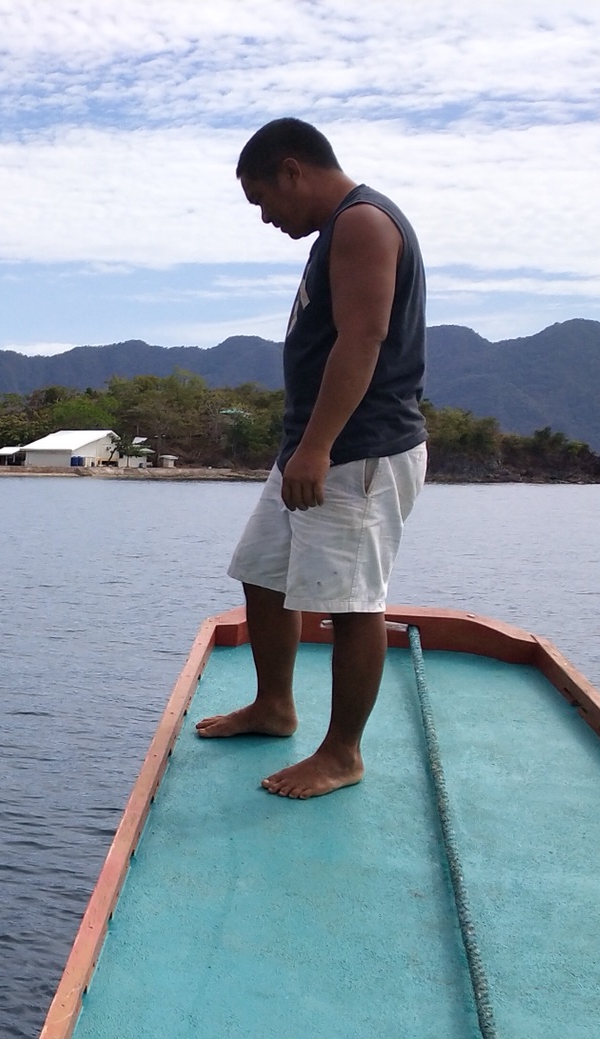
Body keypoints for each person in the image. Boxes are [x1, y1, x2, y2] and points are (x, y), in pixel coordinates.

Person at [196, 117, 428, 800]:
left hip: (359, 451)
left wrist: (320, 446)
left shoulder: (362, 222)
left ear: (292, 170)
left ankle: (343, 753)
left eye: (264, 199)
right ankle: (275, 707)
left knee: (353, 603)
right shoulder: (337, 230)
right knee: (263, 574)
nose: (266, 217)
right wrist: (302, 444)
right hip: (312, 445)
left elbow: (364, 338)